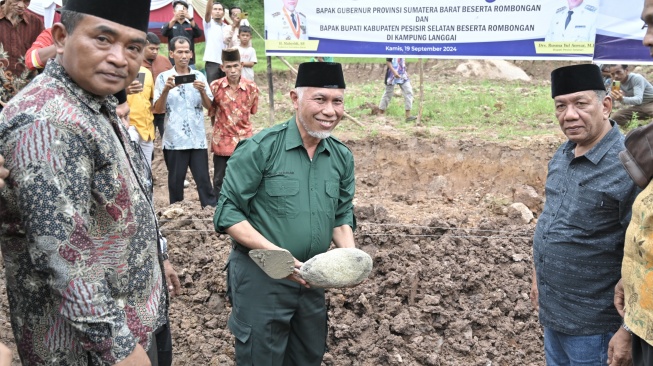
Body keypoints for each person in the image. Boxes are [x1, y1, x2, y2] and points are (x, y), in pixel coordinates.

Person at [0, 0, 181, 363]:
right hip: (86, 348)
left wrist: (156, 257)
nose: (119, 58)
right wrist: (119, 348)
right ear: (62, 37)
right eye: (103, 39)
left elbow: (125, 201)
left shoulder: (93, 101)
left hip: (136, 318)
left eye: (132, 47)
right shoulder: (46, 121)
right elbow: (63, 254)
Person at [214, 62, 356, 365]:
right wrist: (278, 256)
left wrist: (350, 258)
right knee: (260, 358)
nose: (329, 111)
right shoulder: (260, 148)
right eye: (320, 99)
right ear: (295, 98)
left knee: (308, 356)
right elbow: (227, 213)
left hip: (312, 281)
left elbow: (341, 215)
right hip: (263, 278)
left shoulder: (341, 157)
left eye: (337, 101)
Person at [530, 64, 638, 366]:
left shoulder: (629, 166)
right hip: (554, 317)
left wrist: (627, 330)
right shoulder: (563, 154)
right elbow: (551, 221)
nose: (569, 115)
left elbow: (645, 255)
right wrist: (539, 276)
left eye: (580, 103)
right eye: (561, 106)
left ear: (605, 106)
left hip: (597, 330)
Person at [613, 2, 653, 365]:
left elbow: (640, 102)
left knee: (623, 112)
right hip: (644, 321)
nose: (646, 40)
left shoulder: (637, 82)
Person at [154, 36, 217, 208]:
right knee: (175, 182)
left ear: (191, 54)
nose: (184, 55)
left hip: (197, 139)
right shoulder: (163, 78)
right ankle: (176, 215)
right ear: (171, 53)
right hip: (175, 140)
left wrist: (203, 92)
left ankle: (211, 213)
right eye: (179, 52)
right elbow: (158, 109)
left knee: (204, 180)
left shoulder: (198, 76)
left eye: (187, 51)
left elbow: (210, 107)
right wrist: (166, 90)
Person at [209, 48, 259, 198]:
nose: (232, 70)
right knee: (219, 180)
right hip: (222, 140)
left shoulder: (251, 87)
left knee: (244, 179)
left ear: (241, 65)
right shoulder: (215, 87)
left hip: (243, 141)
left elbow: (253, 111)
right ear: (222, 67)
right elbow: (211, 111)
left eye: (235, 66)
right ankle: (220, 210)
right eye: (228, 66)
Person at [0, 0, 44, 109]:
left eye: (26, 1)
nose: (21, 5)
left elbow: (43, 62)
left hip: (26, 101)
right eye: (17, 0)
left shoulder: (35, 23)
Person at [143, 32, 173, 140]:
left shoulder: (164, 61)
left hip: (164, 109)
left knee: (169, 141)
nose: (155, 52)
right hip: (145, 111)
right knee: (147, 143)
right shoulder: (136, 63)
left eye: (157, 49)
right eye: (151, 48)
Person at [127, 67, 156, 169]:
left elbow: (152, 98)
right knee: (130, 167)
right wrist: (124, 91)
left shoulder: (147, 72)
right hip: (128, 126)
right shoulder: (115, 71)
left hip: (146, 128)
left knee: (146, 170)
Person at [161, 0, 202, 68]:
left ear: (187, 11)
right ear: (174, 11)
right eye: (179, 8)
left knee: (190, 78)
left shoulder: (190, 25)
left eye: (184, 9)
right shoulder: (170, 24)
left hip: (189, 61)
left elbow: (198, 34)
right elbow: (164, 33)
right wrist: (174, 19)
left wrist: (191, 19)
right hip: (173, 61)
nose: (181, 11)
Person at [378, 58, 416, 122]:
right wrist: (394, 72)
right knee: (388, 94)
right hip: (391, 74)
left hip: (402, 74)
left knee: (408, 91)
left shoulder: (404, 49)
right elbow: (388, 62)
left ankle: (408, 115)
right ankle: (381, 113)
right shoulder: (392, 48)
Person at [203, 0, 226, 85]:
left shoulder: (226, 27)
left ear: (223, 13)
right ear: (211, 11)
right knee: (212, 87)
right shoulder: (208, 24)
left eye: (220, 9)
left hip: (225, 62)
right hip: (212, 61)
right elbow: (207, 13)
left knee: (224, 87)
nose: (217, 11)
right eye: (215, 9)